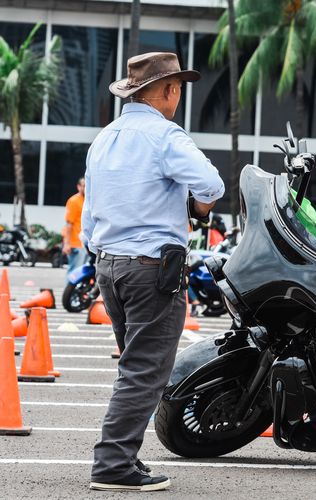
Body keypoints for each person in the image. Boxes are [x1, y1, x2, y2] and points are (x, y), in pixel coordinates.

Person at [81, 52, 225, 492]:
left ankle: (123, 456)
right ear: (169, 90)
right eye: (178, 88)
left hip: (109, 264)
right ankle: (112, 465)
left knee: (134, 367)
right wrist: (197, 205)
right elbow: (212, 184)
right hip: (150, 269)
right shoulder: (164, 135)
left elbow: (89, 215)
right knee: (144, 372)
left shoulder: (104, 137)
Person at [62, 177, 87, 279]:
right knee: (74, 272)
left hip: (85, 244)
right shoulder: (74, 201)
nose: (86, 188)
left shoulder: (88, 201)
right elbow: (68, 224)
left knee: (83, 274)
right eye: (84, 186)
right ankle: (69, 290)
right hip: (75, 244)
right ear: (78, 187)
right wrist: (67, 244)